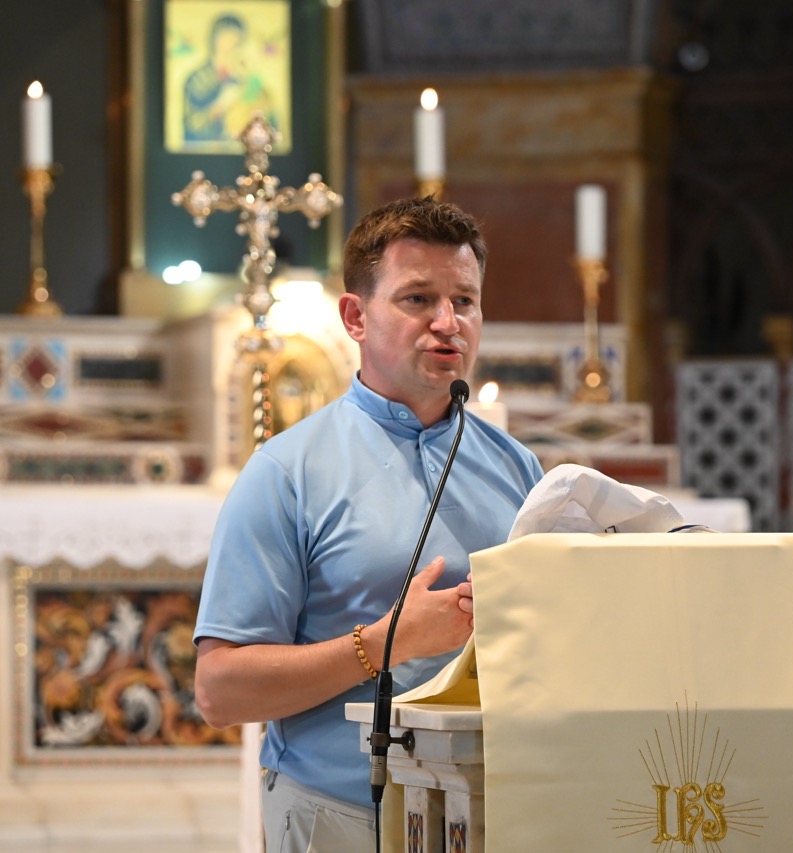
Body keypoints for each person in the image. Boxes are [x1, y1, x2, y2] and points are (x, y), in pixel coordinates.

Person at [192, 196, 545, 850]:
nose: (448, 323)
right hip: (339, 812)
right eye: (418, 299)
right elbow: (220, 693)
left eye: (464, 301)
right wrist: (385, 643)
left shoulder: (516, 467)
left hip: (495, 809)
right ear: (355, 316)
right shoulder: (286, 472)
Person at [183, 13, 279, 144]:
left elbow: (270, 120)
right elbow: (190, 127)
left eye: (236, 42)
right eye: (225, 39)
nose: (230, 46)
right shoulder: (197, 80)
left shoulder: (248, 78)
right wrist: (219, 108)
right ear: (214, 41)